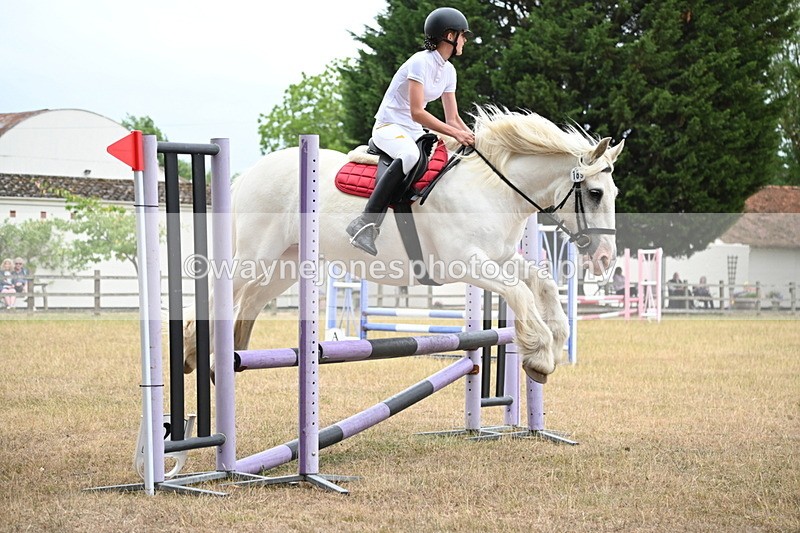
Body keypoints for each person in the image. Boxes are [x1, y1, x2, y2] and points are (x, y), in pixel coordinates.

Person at [346, 7, 476, 256]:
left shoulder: (449, 71)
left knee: (445, 159)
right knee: (410, 156)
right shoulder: (419, 62)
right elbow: (417, 111)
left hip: (413, 130)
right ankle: (364, 223)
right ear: (449, 35)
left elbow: (453, 117)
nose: (465, 40)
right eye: (463, 35)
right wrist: (455, 133)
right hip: (389, 126)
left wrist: (472, 138)